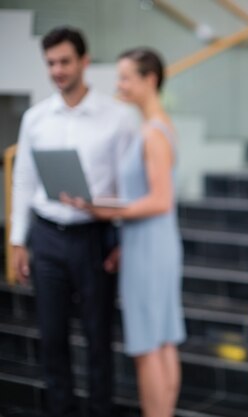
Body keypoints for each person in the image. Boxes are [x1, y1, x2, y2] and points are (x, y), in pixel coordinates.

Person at [10, 27, 136, 416]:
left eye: (65, 61)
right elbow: (24, 180)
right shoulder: (35, 119)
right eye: (50, 63)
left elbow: (130, 186)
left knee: (98, 337)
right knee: (51, 338)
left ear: (83, 61)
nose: (58, 70)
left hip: (94, 237)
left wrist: (122, 240)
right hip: (46, 237)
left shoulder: (119, 118)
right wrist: (17, 241)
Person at [63, 47, 185, 417]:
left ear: (150, 80)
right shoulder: (157, 127)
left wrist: (102, 210)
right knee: (162, 342)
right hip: (151, 244)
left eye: (126, 77)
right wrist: (104, 205)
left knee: (148, 346)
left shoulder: (152, 133)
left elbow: (160, 200)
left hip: (149, 247)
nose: (119, 84)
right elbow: (147, 194)